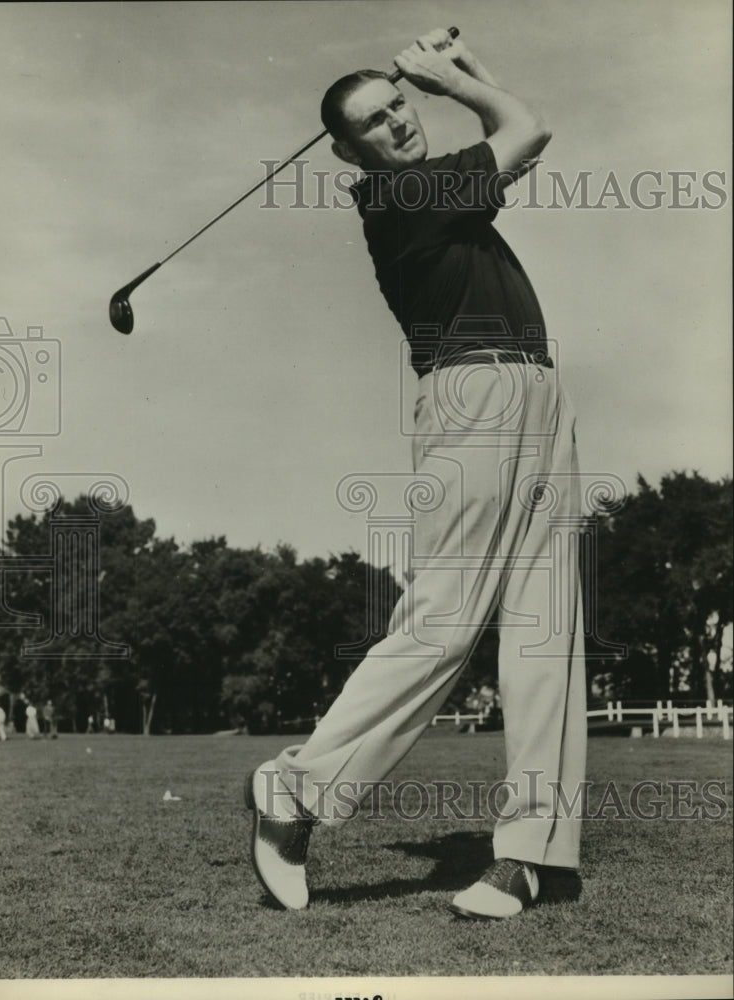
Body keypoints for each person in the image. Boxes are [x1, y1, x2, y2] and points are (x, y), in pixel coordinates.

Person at [245, 28, 586, 919]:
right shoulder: (399, 195)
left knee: (544, 629)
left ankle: (526, 855)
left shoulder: (443, 191)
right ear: (347, 151)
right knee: (442, 621)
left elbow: (510, 143)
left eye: (399, 105)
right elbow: (528, 128)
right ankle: (296, 789)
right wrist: (456, 78)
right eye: (374, 121)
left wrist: (453, 78)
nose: (395, 123)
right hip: (473, 399)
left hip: (539, 394)